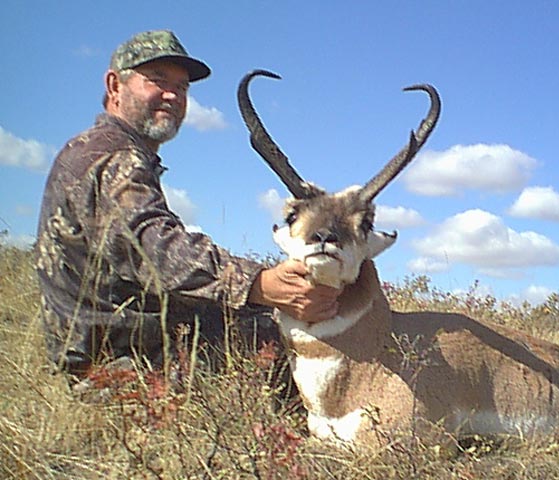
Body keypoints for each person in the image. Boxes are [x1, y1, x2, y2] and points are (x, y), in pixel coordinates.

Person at [35, 30, 340, 380]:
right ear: (114, 86)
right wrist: (262, 283)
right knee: (283, 341)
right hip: (124, 366)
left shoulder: (99, 150)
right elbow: (155, 249)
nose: (172, 95)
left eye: (182, 87)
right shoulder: (113, 156)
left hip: (121, 347)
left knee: (261, 320)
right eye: (157, 80)